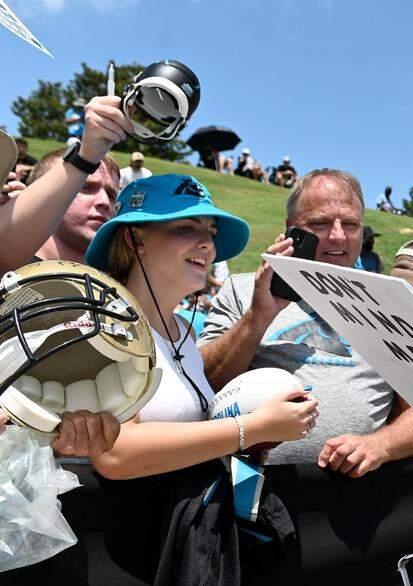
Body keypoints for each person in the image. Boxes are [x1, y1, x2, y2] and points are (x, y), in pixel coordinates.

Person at [77, 173, 316, 480]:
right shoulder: (106, 324)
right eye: (186, 228)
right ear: (135, 239)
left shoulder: (183, 332)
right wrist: (253, 428)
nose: (207, 244)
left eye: (211, 232)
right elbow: (114, 452)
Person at [199, 169, 413, 475]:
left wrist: (381, 445)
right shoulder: (243, 289)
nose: (337, 235)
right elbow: (203, 384)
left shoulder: (391, 306)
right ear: (291, 229)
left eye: (350, 224)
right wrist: (257, 318)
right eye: (320, 223)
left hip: (350, 499)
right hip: (245, 494)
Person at [0, 97, 127, 271]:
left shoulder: (118, 292)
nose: (105, 203)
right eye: (86, 187)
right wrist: (84, 158)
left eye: (112, 195)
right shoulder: (8, 275)